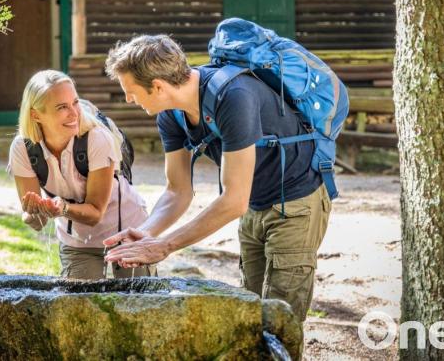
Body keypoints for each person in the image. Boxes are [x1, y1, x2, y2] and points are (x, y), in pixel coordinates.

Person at [102, 35, 331, 357]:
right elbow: (177, 190)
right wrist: (148, 231)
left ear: (156, 86)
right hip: (255, 205)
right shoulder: (171, 113)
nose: (127, 99)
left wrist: (165, 246)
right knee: (251, 310)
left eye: (130, 91)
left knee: (280, 316)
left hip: (296, 202)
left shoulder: (233, 97)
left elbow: (233, 200)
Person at [8, 70, 155, 280]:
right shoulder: (23, 148)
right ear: (35, 115)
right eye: (62, 107)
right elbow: (37, 222)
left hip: (128, 231)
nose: (74, 113)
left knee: (137, 304)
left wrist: (62, 208)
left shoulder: (97, 138)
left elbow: (95, 213)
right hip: (77, 239)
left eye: (75, 102)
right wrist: (34, 212)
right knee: (78, 307)